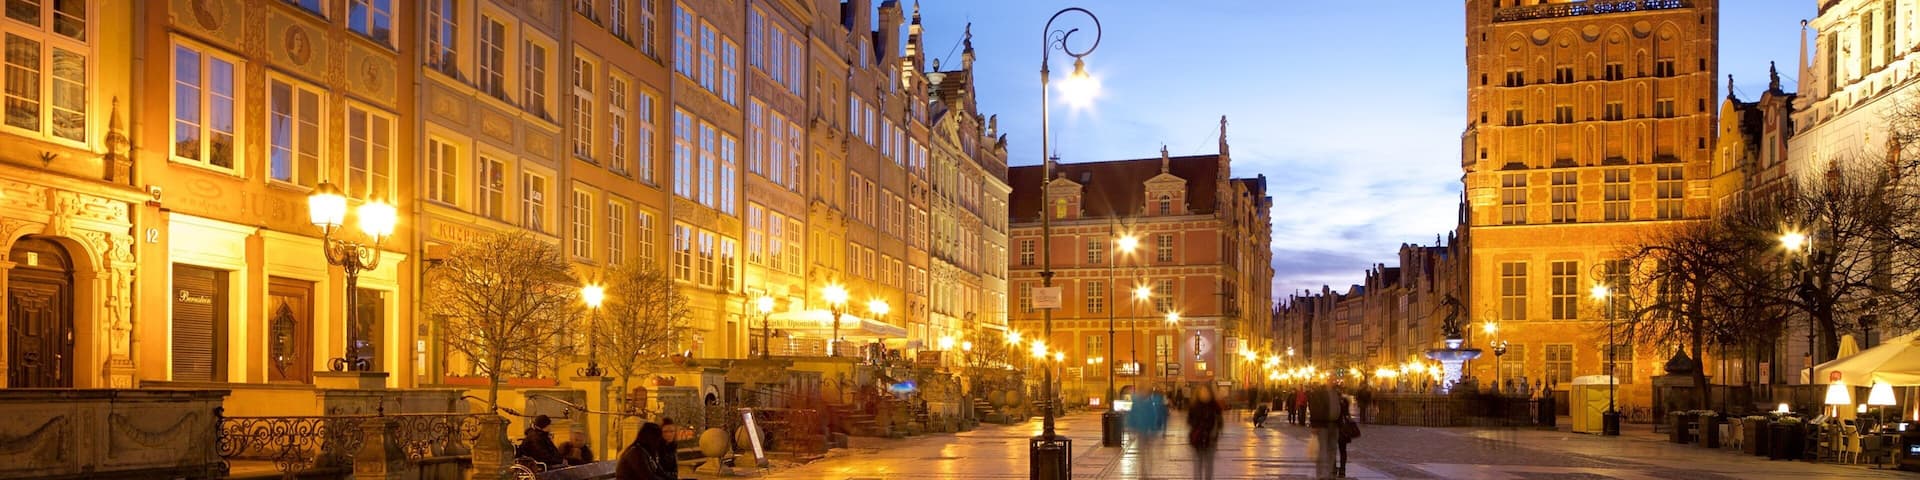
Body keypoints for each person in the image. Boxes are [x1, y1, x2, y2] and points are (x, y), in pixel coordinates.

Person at [1187, 386, 1225, 479]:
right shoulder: (1194, 406)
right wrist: (1198, 425)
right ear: (1198, 394)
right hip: (1197, 439)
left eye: (1206, 392)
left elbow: (1220, 422)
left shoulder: (1215, 407)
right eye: (1202, 392)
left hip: (1210, 440)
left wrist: (1215, 430)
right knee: (1197, 465)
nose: (1204, 394)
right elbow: (1189, 421)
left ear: (1210, 394)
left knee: (1209, 466)